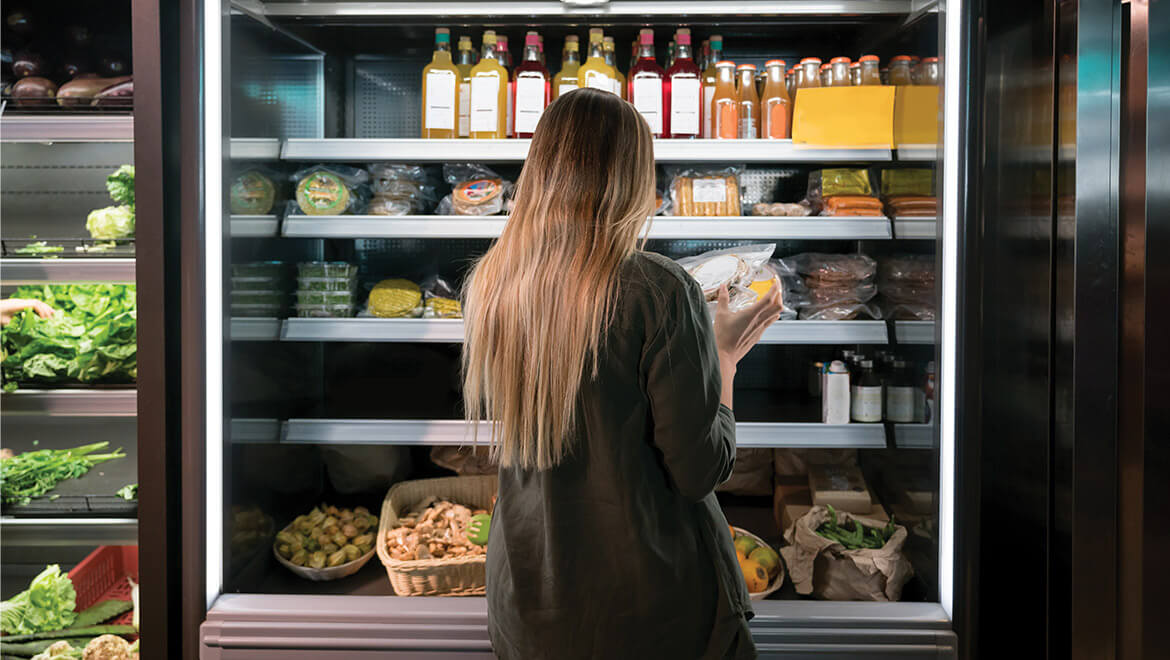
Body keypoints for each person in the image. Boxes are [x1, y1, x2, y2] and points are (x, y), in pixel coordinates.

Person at [462, 88, 782, 660]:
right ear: (633, 177)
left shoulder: (494, 282)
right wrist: (725, 357)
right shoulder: (658, 287)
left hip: (532, 601)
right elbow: (700, 470)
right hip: (652, 610)